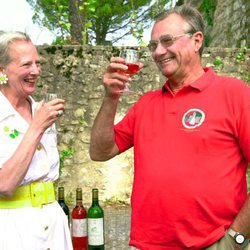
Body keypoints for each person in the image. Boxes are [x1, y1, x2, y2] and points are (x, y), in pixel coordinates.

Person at [90, 4, 250, 250]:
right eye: (153, 45)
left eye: (167, 41)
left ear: (197, 41)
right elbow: (100, 151)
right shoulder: (146, 104)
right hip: (147, 245)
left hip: (214, 244)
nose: (158, 52)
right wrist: (111, 97)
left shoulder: (234, 93)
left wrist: (236, 238)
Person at [0, 31, 73, 250]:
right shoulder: (39, 119)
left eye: (37, 64)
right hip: (12, 231)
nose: (36, 71)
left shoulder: (39, 110)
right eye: (26, 65)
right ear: (2, 70)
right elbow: (4, 185)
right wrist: (37, 127)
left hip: (54, 226)